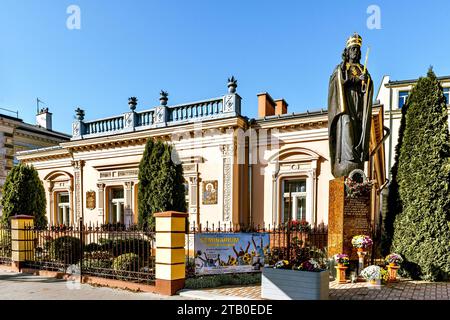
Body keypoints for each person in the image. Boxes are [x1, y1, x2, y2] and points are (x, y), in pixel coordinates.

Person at [328, 33, 373, 178]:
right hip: (345, 105)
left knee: (357, 129)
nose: (356, 52)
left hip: (358, 105)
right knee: (346, 125)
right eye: (353, 49)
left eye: (357, 50)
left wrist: (366, 81)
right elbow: (338, 81)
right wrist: (354, 79)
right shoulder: (341, 67)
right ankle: (346, 159)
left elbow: (367, 88)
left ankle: (356, 159)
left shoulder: (362, 69)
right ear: (347, 52)